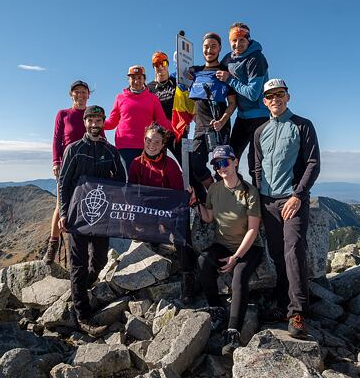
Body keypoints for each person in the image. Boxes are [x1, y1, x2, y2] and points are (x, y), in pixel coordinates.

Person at [254, 78, 320, 339]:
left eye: (279, 94)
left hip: (293, 199)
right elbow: (256, 166)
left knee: (293, 251)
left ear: (287, 97)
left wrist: (298, 196)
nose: (275, 99)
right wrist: (258, 197)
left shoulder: (302, 125)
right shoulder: (260, 131)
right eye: (270, 96)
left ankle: (298, 313)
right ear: (265, 101)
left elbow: (313, 163)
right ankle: (283, 304)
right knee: (278, 254)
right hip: (268, 201)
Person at [58, 105, 127, 336]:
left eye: (98, 120)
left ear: (103, 122)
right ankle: (82, 316)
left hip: (101, 215)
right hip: (77, 215)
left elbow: (121, 181)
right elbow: (63, 183)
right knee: (78, 264)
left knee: (99, 260)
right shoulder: (74, 149)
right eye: (91, 120)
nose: (94, 124)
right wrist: (64, 213)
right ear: (85, 122)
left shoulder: (111, 151)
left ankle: (80, 290)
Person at [191, 144, 263, 355]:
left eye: (225, 162)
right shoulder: (214, 189)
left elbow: (253, 229)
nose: (221, 167)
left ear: (235, 162)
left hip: (249, 247)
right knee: (203, 261)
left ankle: (233, 332)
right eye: (216, 164)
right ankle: (216, 308)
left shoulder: (249, 192)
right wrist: (195, 204)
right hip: (222, 244)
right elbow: (208, 217)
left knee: (239, 276)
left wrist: (236, 257)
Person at [128, 123, 197, 303]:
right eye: (148, 140)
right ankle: (154, 244)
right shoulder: (136, 163)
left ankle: (188, 277)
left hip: (168, 212)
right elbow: (132, 193)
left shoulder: (170, 165)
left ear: (163, 144)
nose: (152, 145)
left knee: (182, 232)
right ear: (144, 140)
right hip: (146, 213)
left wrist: (165, 218)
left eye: (157, 142)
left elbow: (177, 197)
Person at [42, 80, 91, 265]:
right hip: (67, 165)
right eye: (76, 92)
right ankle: (52, 245)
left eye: (83, 91)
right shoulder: (63, 114)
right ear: (71, 95)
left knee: (83, 205)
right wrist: (56, 162)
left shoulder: (91, 114)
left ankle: (81, 247)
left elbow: (101, 136)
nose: (80, 95)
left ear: (88, 94)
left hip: (88, 167)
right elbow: (56, 139)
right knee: (60, 205)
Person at [216, 23, 270, 184]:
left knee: (255, 163)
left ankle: (259, 197)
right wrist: (193, 72)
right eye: (234, 40)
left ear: (248, 40)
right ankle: (233, 193)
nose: (237, 44)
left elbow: (253, 94)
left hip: (260, 117)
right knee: (230, 157)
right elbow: (214, 71)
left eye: (242, 40)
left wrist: (230, 80)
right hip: (242, 117)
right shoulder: (228, 58)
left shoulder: (257, 58)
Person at [188, 33, 237, 203]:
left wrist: (222, 120)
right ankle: (216, 193)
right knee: (196, 165)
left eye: (213, 46)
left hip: (219, 127)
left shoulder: (224, 73)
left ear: (220, 49)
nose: (209, 50)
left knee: (222, 167)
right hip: (200, 127)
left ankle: (227, 202)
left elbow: (232, 103)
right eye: (206, 46)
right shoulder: (195, 72)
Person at [104, 65, 173, 171]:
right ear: (128, 79)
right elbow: (112, 122)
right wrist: (96, 124)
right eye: (133, 78)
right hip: (125, 146)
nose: (136, 81)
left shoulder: (153, 98)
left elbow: (161, 120)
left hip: (148, 145)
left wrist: (177, 128)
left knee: (147, 178)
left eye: (139, 78)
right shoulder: (120, 98)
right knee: (129, 178)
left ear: (144, 79)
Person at [147, 52, 186, 164]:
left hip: (178, 130)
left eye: (163, 63)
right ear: (153, 67)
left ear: (168, 64)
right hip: (159, 133)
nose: (160, 66)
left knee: (186, 163)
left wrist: (187, 121)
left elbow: (188, 100)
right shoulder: (149, 88)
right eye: (156, 64)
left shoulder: (177, 82)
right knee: (158, 164)